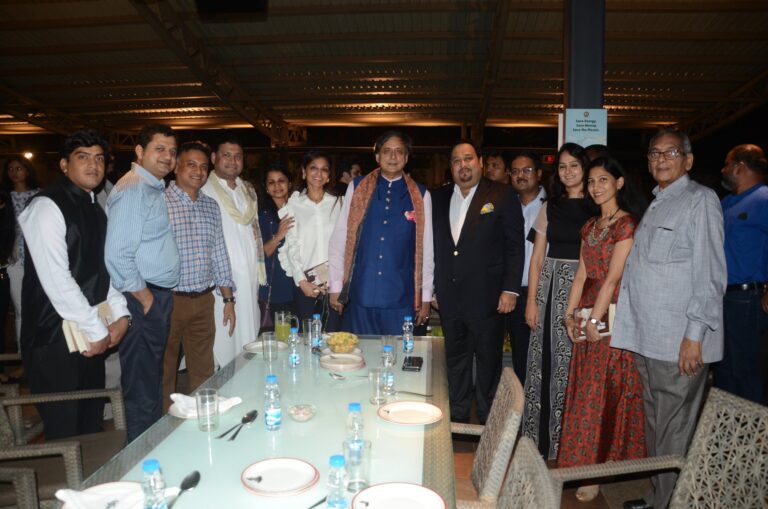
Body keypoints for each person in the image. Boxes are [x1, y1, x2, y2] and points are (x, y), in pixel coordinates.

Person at [613, 128, 726, 509]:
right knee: (658, 424)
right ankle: (660, 494)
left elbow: (710, 274)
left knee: (674, 429)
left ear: (688, 160)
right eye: (654, 154)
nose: (661, 159)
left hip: (679, 341)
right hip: (651, 337)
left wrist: (695, 335)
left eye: (670, 152)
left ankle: (673, 501)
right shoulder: (659, 202)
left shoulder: (701, 200)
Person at [19, 130, 130, 439]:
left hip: (89, 333)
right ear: (64, 165)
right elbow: (56, 278)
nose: (93, 165)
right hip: (54, 336)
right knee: (65, 431)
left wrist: (121, 315)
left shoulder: (96, 208)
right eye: (83, 158)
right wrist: (96, 330)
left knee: (90, 424)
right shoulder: (45, 206)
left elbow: (104, 267)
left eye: (99, 159)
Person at [557, 156, 648, 502]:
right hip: (587, 311)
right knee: (584, 391)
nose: (595, 187)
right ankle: (580, 462)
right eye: (592, 181)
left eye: (603, 181)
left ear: (619, 183)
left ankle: (597, 469)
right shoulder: (591, 226)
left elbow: (612, 278)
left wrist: (595, 322)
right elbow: (581, 275)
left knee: (604, 393)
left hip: (613, 313)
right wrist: (568, 317)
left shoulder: (627, 225)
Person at [432, 141, 524, 423]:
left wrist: (510, 289)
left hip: (489, 298)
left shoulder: (502, 194)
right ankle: (457, 422)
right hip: (450, 298)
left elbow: (514, 246)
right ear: (451, 166)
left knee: (488, 367)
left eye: (468, 158)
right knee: (456, 365)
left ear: (480, 162)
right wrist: (432, 288)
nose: (463, 165)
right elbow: (434, 247)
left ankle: (488, 425)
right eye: (457, 160)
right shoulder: (438, 197)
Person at [105, 124, 181, 442]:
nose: (167, 157)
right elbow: (117, 253)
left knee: (150, 380)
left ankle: (149, 451)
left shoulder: (151, 188)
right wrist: (146, 298)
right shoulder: (135, 188)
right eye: (159, 149)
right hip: (143, 297)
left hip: (153, 295)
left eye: (172, 151)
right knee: (142, 386)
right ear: (140, 152)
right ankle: (140, 461)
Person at [522, 142, 593, 460]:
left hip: (584, 291)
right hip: (549, 289)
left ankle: (570, 442)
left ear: (585, 168)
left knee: (575, 365)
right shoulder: (550, 206)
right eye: (562, 166)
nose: (568, 172)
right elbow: (536, 259)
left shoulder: (597, 207)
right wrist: (532, 302)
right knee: (544, 363)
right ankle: (539, 441)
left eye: (574, 166)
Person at [328, 131, 433, 335]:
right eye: (387, 151)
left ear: (406, 158)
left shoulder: (421, 195)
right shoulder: (357, 188)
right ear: (377, 157)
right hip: (361, 294)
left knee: (399, 360)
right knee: (359, 358)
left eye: (399, 151)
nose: (393, 157)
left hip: (401, 298)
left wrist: (426, 297)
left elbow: (426, 251)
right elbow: (340, 238)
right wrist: (335, 287)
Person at [162, 142, 235, 410]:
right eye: (191, 164)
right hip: (169, 300)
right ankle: (163, 429)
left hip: (204, 300)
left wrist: (228, 300)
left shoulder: (211, 206)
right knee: (165, 371)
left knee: (203, 369)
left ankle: (202, 420)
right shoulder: (159, 202)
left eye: (204, 166)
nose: (198, 171)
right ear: (176, 167)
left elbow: (219, 254)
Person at [202, 136, 266, 367]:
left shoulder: (248, 190)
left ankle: (246, 378)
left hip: (249, 277)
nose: (232, 160)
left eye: (237, 156)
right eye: (226, 155)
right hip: (219, 280)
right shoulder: (204, 190)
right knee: (221, 337)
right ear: (214, 158)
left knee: (248, 331)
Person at [713, 144, 768, 405]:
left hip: (749, 298)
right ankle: (727, 439)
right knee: (724, 373)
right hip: (721, 298)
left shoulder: (763, 198)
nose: (723, 170)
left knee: (745, 372)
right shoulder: (726, 203)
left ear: (740, 167)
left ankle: (752, 440)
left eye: (726, 163)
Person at [277, 151, 342, 328]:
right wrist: (301, 281)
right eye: (313, 168)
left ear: (329, 176)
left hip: (335, 285)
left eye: (324, 169)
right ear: (304, 172)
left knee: (333, 341)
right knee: (306, 341)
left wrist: (340, 282)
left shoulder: (339, 204)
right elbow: (291, 245)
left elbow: (345, 245)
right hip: (305, 285)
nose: (318, 174)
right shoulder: (293, 205)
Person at [507, 151, 546, 386]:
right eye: (516, 171)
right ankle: (520, 416)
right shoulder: (505, 204)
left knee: (540, 358)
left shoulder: (552, 206)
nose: (521, 175)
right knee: (519, 357)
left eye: (527, 170)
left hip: (539, 293)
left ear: (539, 173)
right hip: (510, 293)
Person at [3, 156, 41, 350]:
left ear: (27, 171)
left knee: (41, 308)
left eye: (19, 168)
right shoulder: (4, 198)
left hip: (39, 260)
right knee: (20, 310)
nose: (15, 172)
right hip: (15, 261)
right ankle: (23, 355)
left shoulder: (40, 196)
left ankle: (41, 353)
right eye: (11, 168)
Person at [258, 165, 297, 320]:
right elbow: (261, 253)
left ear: (290, 183)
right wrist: (278, 236)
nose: (277, 186)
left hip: (300, 284)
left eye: (281, 181)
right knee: (282, 335)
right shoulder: (262, 215)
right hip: (277, 287)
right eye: (271, 182)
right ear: (266, 188)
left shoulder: (299, 208)